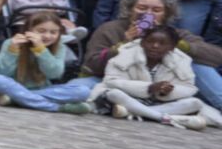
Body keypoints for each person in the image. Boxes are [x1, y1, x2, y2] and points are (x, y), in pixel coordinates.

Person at [90, 25, 221, 128]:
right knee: (113, 94)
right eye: (150, 41)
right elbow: (111, 81)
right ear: (142, 42)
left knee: (195, 103)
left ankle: (138, 113)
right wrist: (149, 88)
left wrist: (168, 91)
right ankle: (165, 118)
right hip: (129, 98)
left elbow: (189, 87)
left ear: (172, 47)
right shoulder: (125, 53)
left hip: (160, 102)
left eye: (162, 43)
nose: (155, 46)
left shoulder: (181, 60)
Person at [0, 10, 92, 112]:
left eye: (53, 32)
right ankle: (56, 107)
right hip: (12, 86)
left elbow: (54, 74)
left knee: (83, 91)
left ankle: (17, 99)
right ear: (29, 30)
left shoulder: (59, 46)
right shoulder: (11, 43)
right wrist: (12, 51)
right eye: (41, 31)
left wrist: (41, 50)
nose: (47, 36)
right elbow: (1, 73)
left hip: (42, 89)